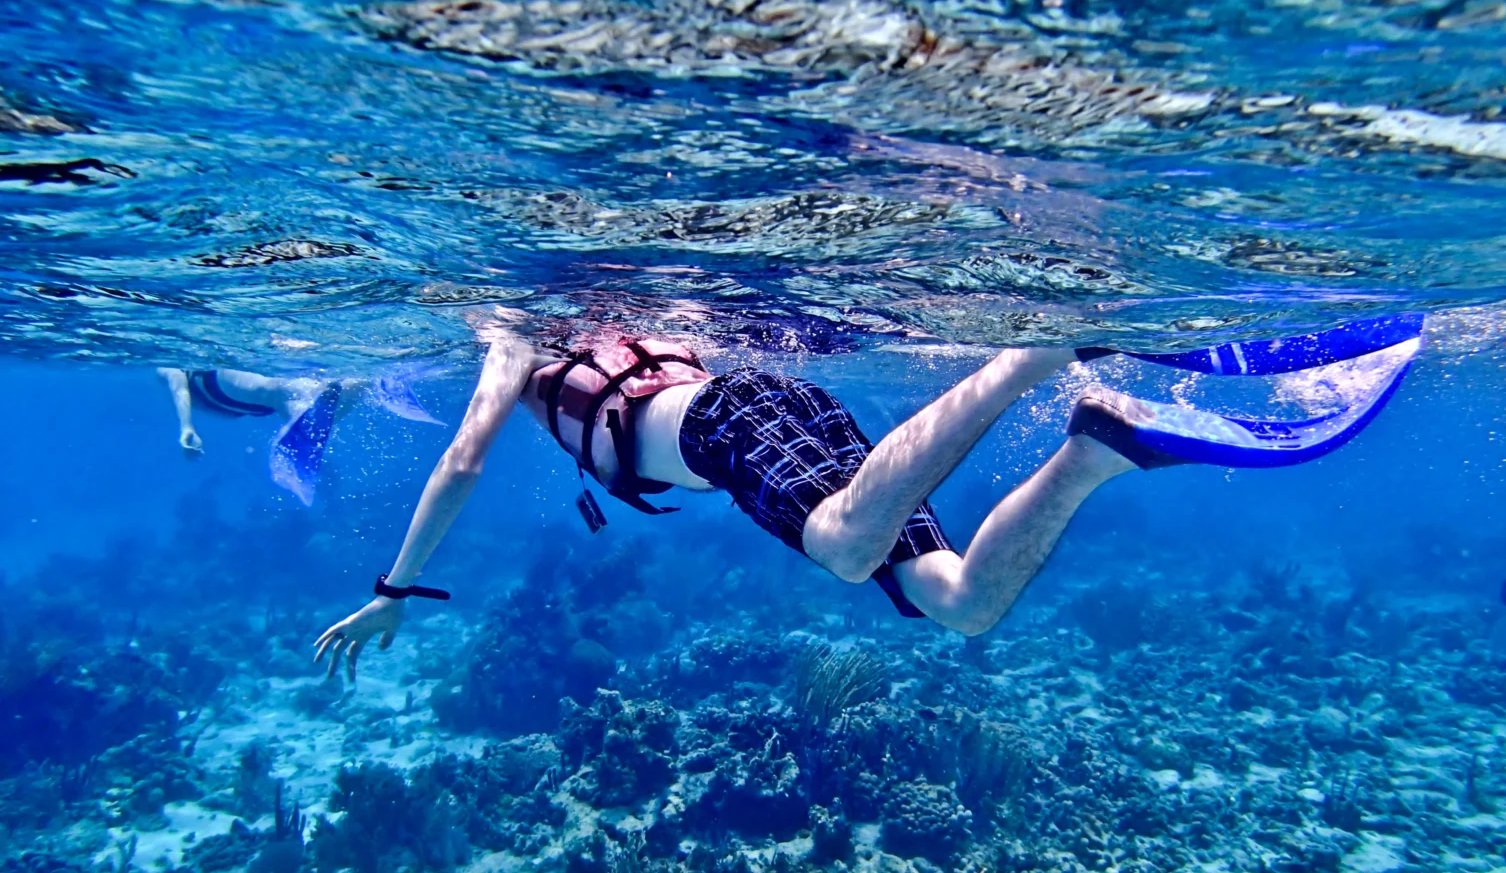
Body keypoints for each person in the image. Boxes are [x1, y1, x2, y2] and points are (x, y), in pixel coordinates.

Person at [314, 312, 1422, 679]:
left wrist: (397, 585)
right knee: (964, 602)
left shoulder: (510, 333)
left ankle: (1039, 352)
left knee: (847, 547)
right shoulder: (618, 315)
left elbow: (460, 460)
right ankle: (1098, 447)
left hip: (727, 428)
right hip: (772, 409)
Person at [160, 368, 439, 504]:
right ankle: (362, 377)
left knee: (281, 393)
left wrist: (187, 426)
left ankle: (342, 387)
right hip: (228, 391)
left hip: (214, 388)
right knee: (288, 394)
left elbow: (177, 385)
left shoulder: (170, 360)